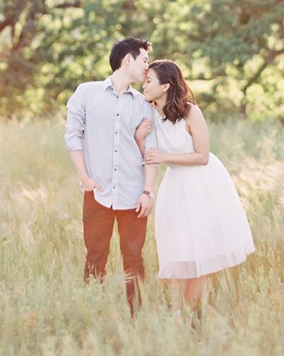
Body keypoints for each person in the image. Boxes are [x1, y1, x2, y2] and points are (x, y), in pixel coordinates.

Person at [137, 59, 254, 319]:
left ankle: (184, 314)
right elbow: (147, 155)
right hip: (175, 187)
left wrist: (164, 156)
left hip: (202, 184)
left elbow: (202, 155)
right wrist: (139, 139)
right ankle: (180, 310)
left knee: (202, 253)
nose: (143, 85)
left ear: (165, 85)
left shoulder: (190, 112)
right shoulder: (149, 114)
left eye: (149, 81)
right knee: (178, 252)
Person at [64, 37, 159, 315]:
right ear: (127, 60)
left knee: (134, 259)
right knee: (95, 257)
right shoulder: (86, 93)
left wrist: (147, 192)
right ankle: (93, 314)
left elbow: (151, 152)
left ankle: (136, 317)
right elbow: (72, 136)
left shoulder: (144, 104)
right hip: (97, 192)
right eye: (144, 60)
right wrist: (84, 178)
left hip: (133, 195)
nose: (147, 68)